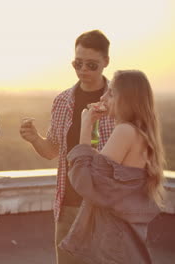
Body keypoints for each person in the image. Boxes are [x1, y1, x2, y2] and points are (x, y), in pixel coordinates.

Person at [19, 29, 115, 264]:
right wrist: (34, 138)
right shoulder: (62, 101)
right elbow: (52, 150)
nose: (83, 70)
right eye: (77, 63)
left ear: (106, 62)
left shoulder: (120, 101)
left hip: (107, 209)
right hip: (68, 206)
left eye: (91, 65)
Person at [59, 70, 165, 263]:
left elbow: (89, 182)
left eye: (111, 93)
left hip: (114, 242)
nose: (103, 97)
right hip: (125, 240)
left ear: (127, 99)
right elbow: (105, 173)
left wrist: (86, 124)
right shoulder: (139, 134)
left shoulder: (124, 131)